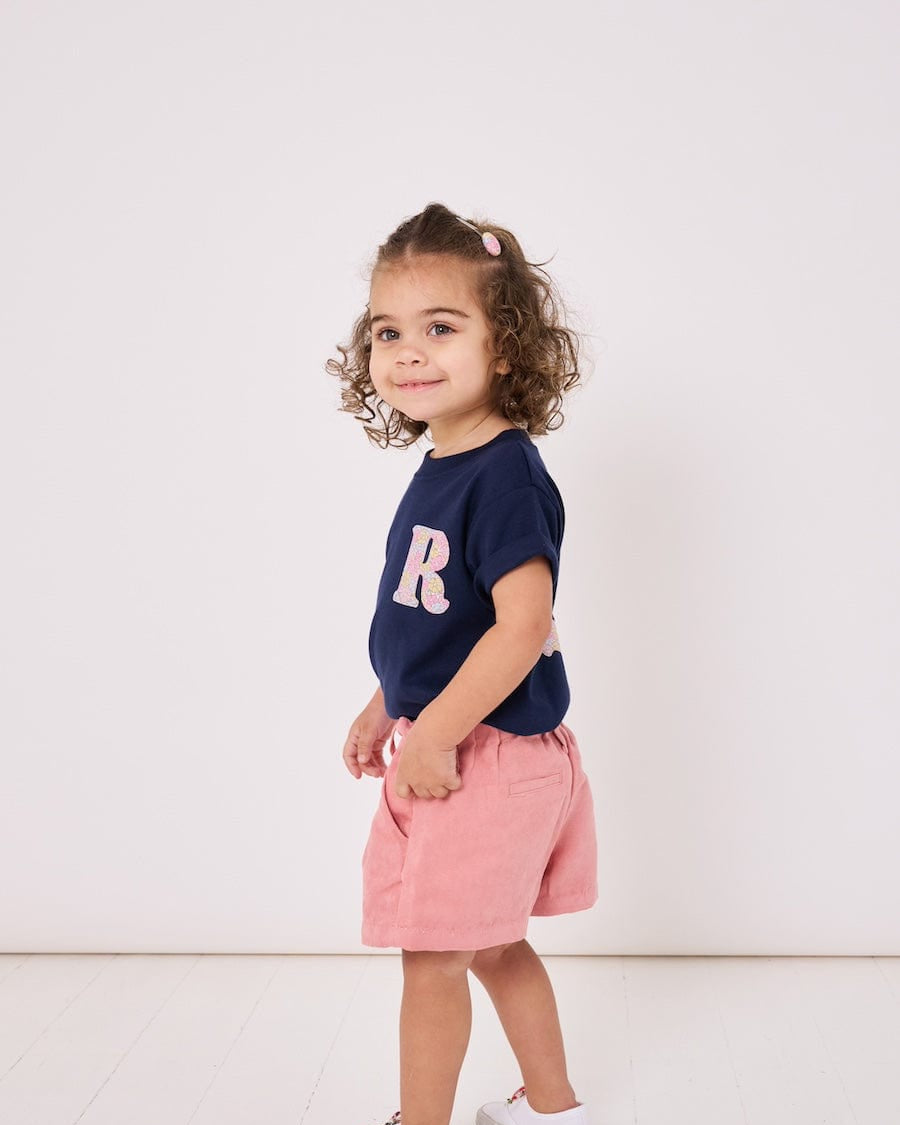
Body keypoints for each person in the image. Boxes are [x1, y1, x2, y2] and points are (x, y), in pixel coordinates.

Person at [326, 202, 599, 1125]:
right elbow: (438, 620)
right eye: (389, 332)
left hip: (488, 752)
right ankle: (553, 1106)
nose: (409, 352)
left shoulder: (506, 474)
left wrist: (435, 731)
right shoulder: (444, 462)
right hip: (452, 739)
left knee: (434, 952)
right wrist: (385, 702)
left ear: (508, 347)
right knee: (489, 944)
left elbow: (522, 626)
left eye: (442, 328)